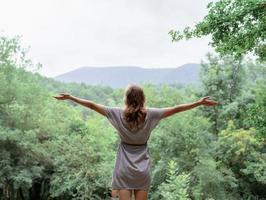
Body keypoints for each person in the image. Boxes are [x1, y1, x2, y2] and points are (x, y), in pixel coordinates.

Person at [53, 84, 218, 200]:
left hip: (124, 168)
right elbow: (177, 108)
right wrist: (199, 102)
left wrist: (70, 97)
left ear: (126, 99)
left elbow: (91, 105)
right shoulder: (152, 114)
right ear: (142, 99)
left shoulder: (116, 113)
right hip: (142, 169)